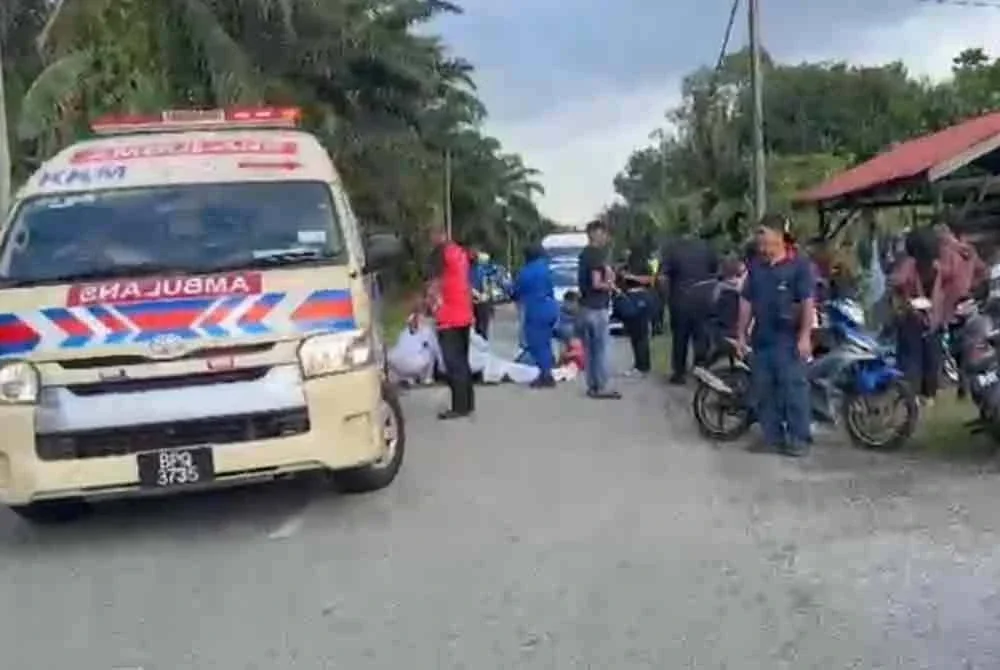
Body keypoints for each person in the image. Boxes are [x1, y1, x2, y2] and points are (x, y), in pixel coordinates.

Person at [736, 214, 815, 457]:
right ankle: (772, 437)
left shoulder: (799, 266)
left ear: (780, 237)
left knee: (793, 389)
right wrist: (740, 334)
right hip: (763, 337)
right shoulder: (757, 267)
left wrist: (805, 336)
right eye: (759, 240)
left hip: (788, 338)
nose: (762, 245)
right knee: (765, 390)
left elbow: (807, 303)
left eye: (766, 239)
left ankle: (799, 438)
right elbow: (746, 302)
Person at [425, 224, 475, 419]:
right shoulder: (459, 252)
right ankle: (467, 403)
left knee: (454, 363)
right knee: (463, 361)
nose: (431, 239)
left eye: (432, 235)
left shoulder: (440, 254)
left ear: (440, 235)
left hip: (448, 316)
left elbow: (433, 283)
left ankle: (459, 407)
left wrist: (428, 305)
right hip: (463, 313)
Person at [662, 230, 719, 384]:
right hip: (703, 298)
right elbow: (715, 271)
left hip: (680, 299)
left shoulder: (672, 249)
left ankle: (679, 373)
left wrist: (666, 299)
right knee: (701, 336)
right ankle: (701, 370)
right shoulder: (707, 248)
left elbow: (664, 277)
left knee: (680, 338)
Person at [577, 219, 620, 399]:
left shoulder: (584, 254)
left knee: (591, 350)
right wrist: (611, 286)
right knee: (601, 349)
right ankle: (601, 386)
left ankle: (593, 385)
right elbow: (596, 283)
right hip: (597, 307)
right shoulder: (595, 255)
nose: (606, 237)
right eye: (603, 233)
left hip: (586, 306)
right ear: (595, 233)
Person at [513, 243, 559, 388]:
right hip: (551, 306)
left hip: (536, 308)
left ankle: (545, 375)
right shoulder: (546, 268)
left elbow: (516, 291)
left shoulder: (526, 272)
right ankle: (547, 372)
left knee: (536, 343)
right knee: (545, 342)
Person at [617, 242, 656, 376]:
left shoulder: (644, 265)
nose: (625, 253)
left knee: (641, 335)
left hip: (641, 299)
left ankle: (643, 366)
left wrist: (631, 277)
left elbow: (650, 280)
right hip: (629, 299)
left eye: (628, 251)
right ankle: (638, 364)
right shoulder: (625, 266)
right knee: (634, 335)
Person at [469, 249, 495, 339]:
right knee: (482, 326)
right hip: (480, 300)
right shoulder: (480, 270)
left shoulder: (470, 270)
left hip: (475, 300)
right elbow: (486, 285)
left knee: (478, 327)